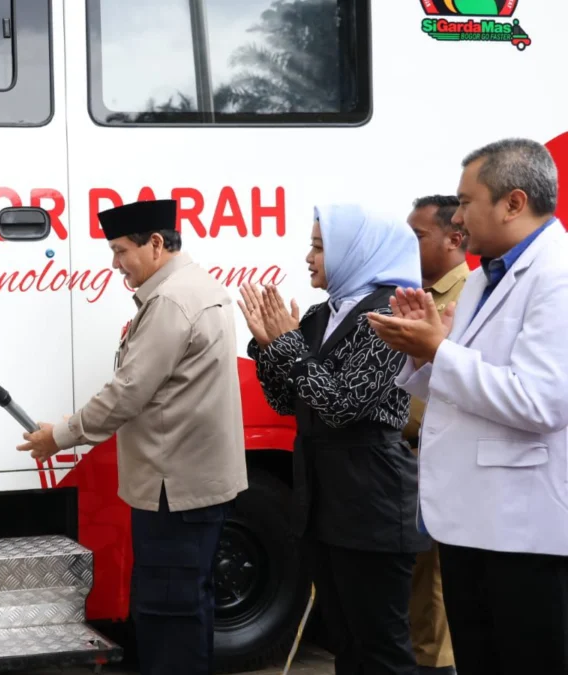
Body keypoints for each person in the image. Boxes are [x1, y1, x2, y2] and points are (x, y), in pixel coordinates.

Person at [16, 199, 248, 675]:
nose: (115, 263)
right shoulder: (197, 285)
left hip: (175, 489)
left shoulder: (170, 300)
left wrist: (58, 436)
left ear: (157, 244)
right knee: (188, 607)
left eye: (121, 251)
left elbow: (128, 393)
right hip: (192, 484)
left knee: (168, 613)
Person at [369, 138, 568, 675]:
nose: (457, 218)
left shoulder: (557, 276)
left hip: (522, 533)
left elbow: (540, 402)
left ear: (513, 202)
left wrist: (438, 350)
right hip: (472, 523)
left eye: (466, 200)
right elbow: (468, 388)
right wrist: (422, 354)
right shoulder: (486, 274)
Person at [238, 204, 427, 675]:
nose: (308, 257)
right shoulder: (324, 314)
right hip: (324, 501)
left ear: (356, 253)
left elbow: (343, 403)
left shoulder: (390, 312)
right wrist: (268, 348)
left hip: (372, 500)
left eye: (320, 247)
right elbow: (288, 399)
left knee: (381, 646)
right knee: (344, 642)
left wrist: (286, 347)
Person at [402, 195, 468, 675]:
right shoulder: (415, 295)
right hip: (408, 459)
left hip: (442, 459)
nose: (409, 244)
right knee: (415, 589)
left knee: (436, 597)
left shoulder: (465, 299)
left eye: (419, 235)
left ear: (455, 238)